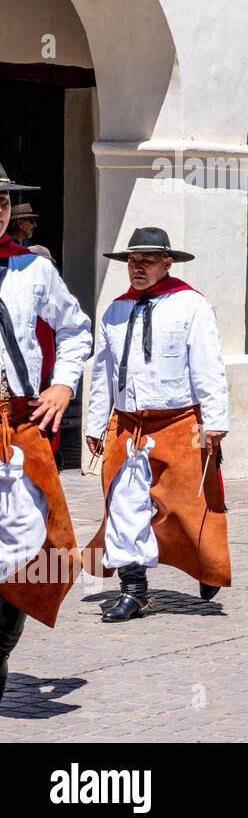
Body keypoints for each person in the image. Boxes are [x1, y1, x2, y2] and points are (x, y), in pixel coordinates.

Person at [82, 227, 231, 621]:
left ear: (167, 262)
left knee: (186, 505)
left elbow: (208, 365)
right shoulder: (115, 309)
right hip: (127, 425)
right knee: (124, 505)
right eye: (132, 262)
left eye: (146, 261)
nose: (138, 268)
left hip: (179, 421)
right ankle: (134, 590)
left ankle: (203, 564)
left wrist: (214, 421)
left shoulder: (191, 305)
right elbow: (103, 372)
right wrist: (96, 424)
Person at [0, 171, 91, 700]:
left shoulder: (33, 268)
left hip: (19, 423)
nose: (1, 209)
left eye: (5, 201)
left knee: (34, 547)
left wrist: (61, 386)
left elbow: (76, 328)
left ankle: (1, 648)